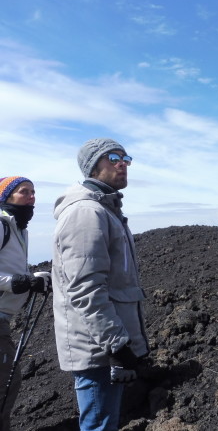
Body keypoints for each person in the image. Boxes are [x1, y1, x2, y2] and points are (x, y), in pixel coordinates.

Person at [52, 139, 149, 431]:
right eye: (114, 157)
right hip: (97, 351)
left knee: (103, 421)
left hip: (103, 345)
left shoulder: (105, 209)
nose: (123, 163)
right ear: (93, 165)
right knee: (99, 425)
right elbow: (85, 288)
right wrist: (118, 344)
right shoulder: (86, 213)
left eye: (126, 158)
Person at [0, 176, 51, 430]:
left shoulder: (17, 229)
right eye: (24, 191)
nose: (31, 196)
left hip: (3, 320)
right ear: (6, 197)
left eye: (33, 192)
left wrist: (32, 279)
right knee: (5, 383)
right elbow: (10, 278)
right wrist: (18, 283)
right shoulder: (2, 225)